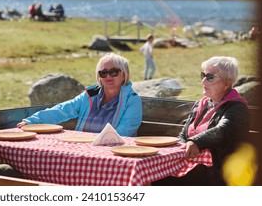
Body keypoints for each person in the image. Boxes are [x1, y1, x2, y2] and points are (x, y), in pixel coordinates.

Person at [152, 56, 249, 186]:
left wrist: (196, 142)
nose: (203, 81)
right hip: (194, 166)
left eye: (210, 77)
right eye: (203, 75)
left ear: (227, 83)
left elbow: (224, 129)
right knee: (158, 173)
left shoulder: (236, 107)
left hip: (217, 171)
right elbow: (184, 134)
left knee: (162, 178)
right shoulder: (201, 103)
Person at [17, 53, 142, 136]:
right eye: (103, 73)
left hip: (113, 153)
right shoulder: (90, 95)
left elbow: (125, 131)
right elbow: (63, 110)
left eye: (113, 72)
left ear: (124, 74)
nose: (108, 76)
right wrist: (32, 121)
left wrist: (96, 145)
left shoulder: (132, 100)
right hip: (82, 148)